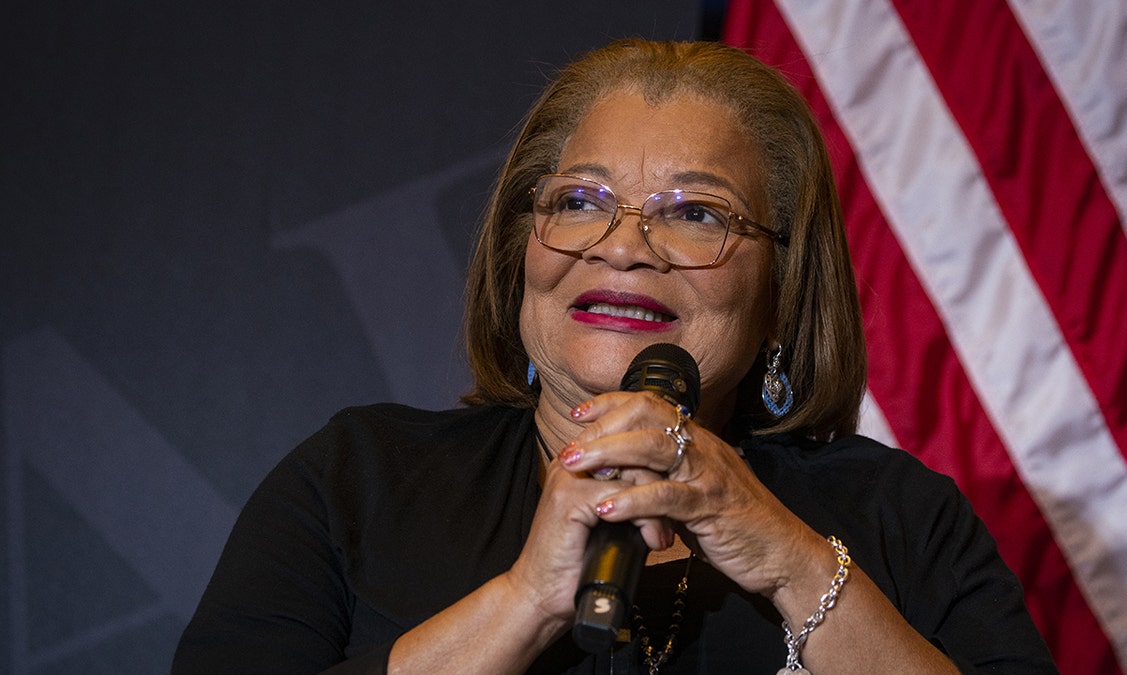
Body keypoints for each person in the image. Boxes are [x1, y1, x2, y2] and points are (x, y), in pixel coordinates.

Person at [173, 39, 1056, 674]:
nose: (623, 245)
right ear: (523, 249)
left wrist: (792, 561)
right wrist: (526, 599)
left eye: (696, 213)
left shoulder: (900, 518)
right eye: (580, 200)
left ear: (782, 292)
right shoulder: (358, 480)